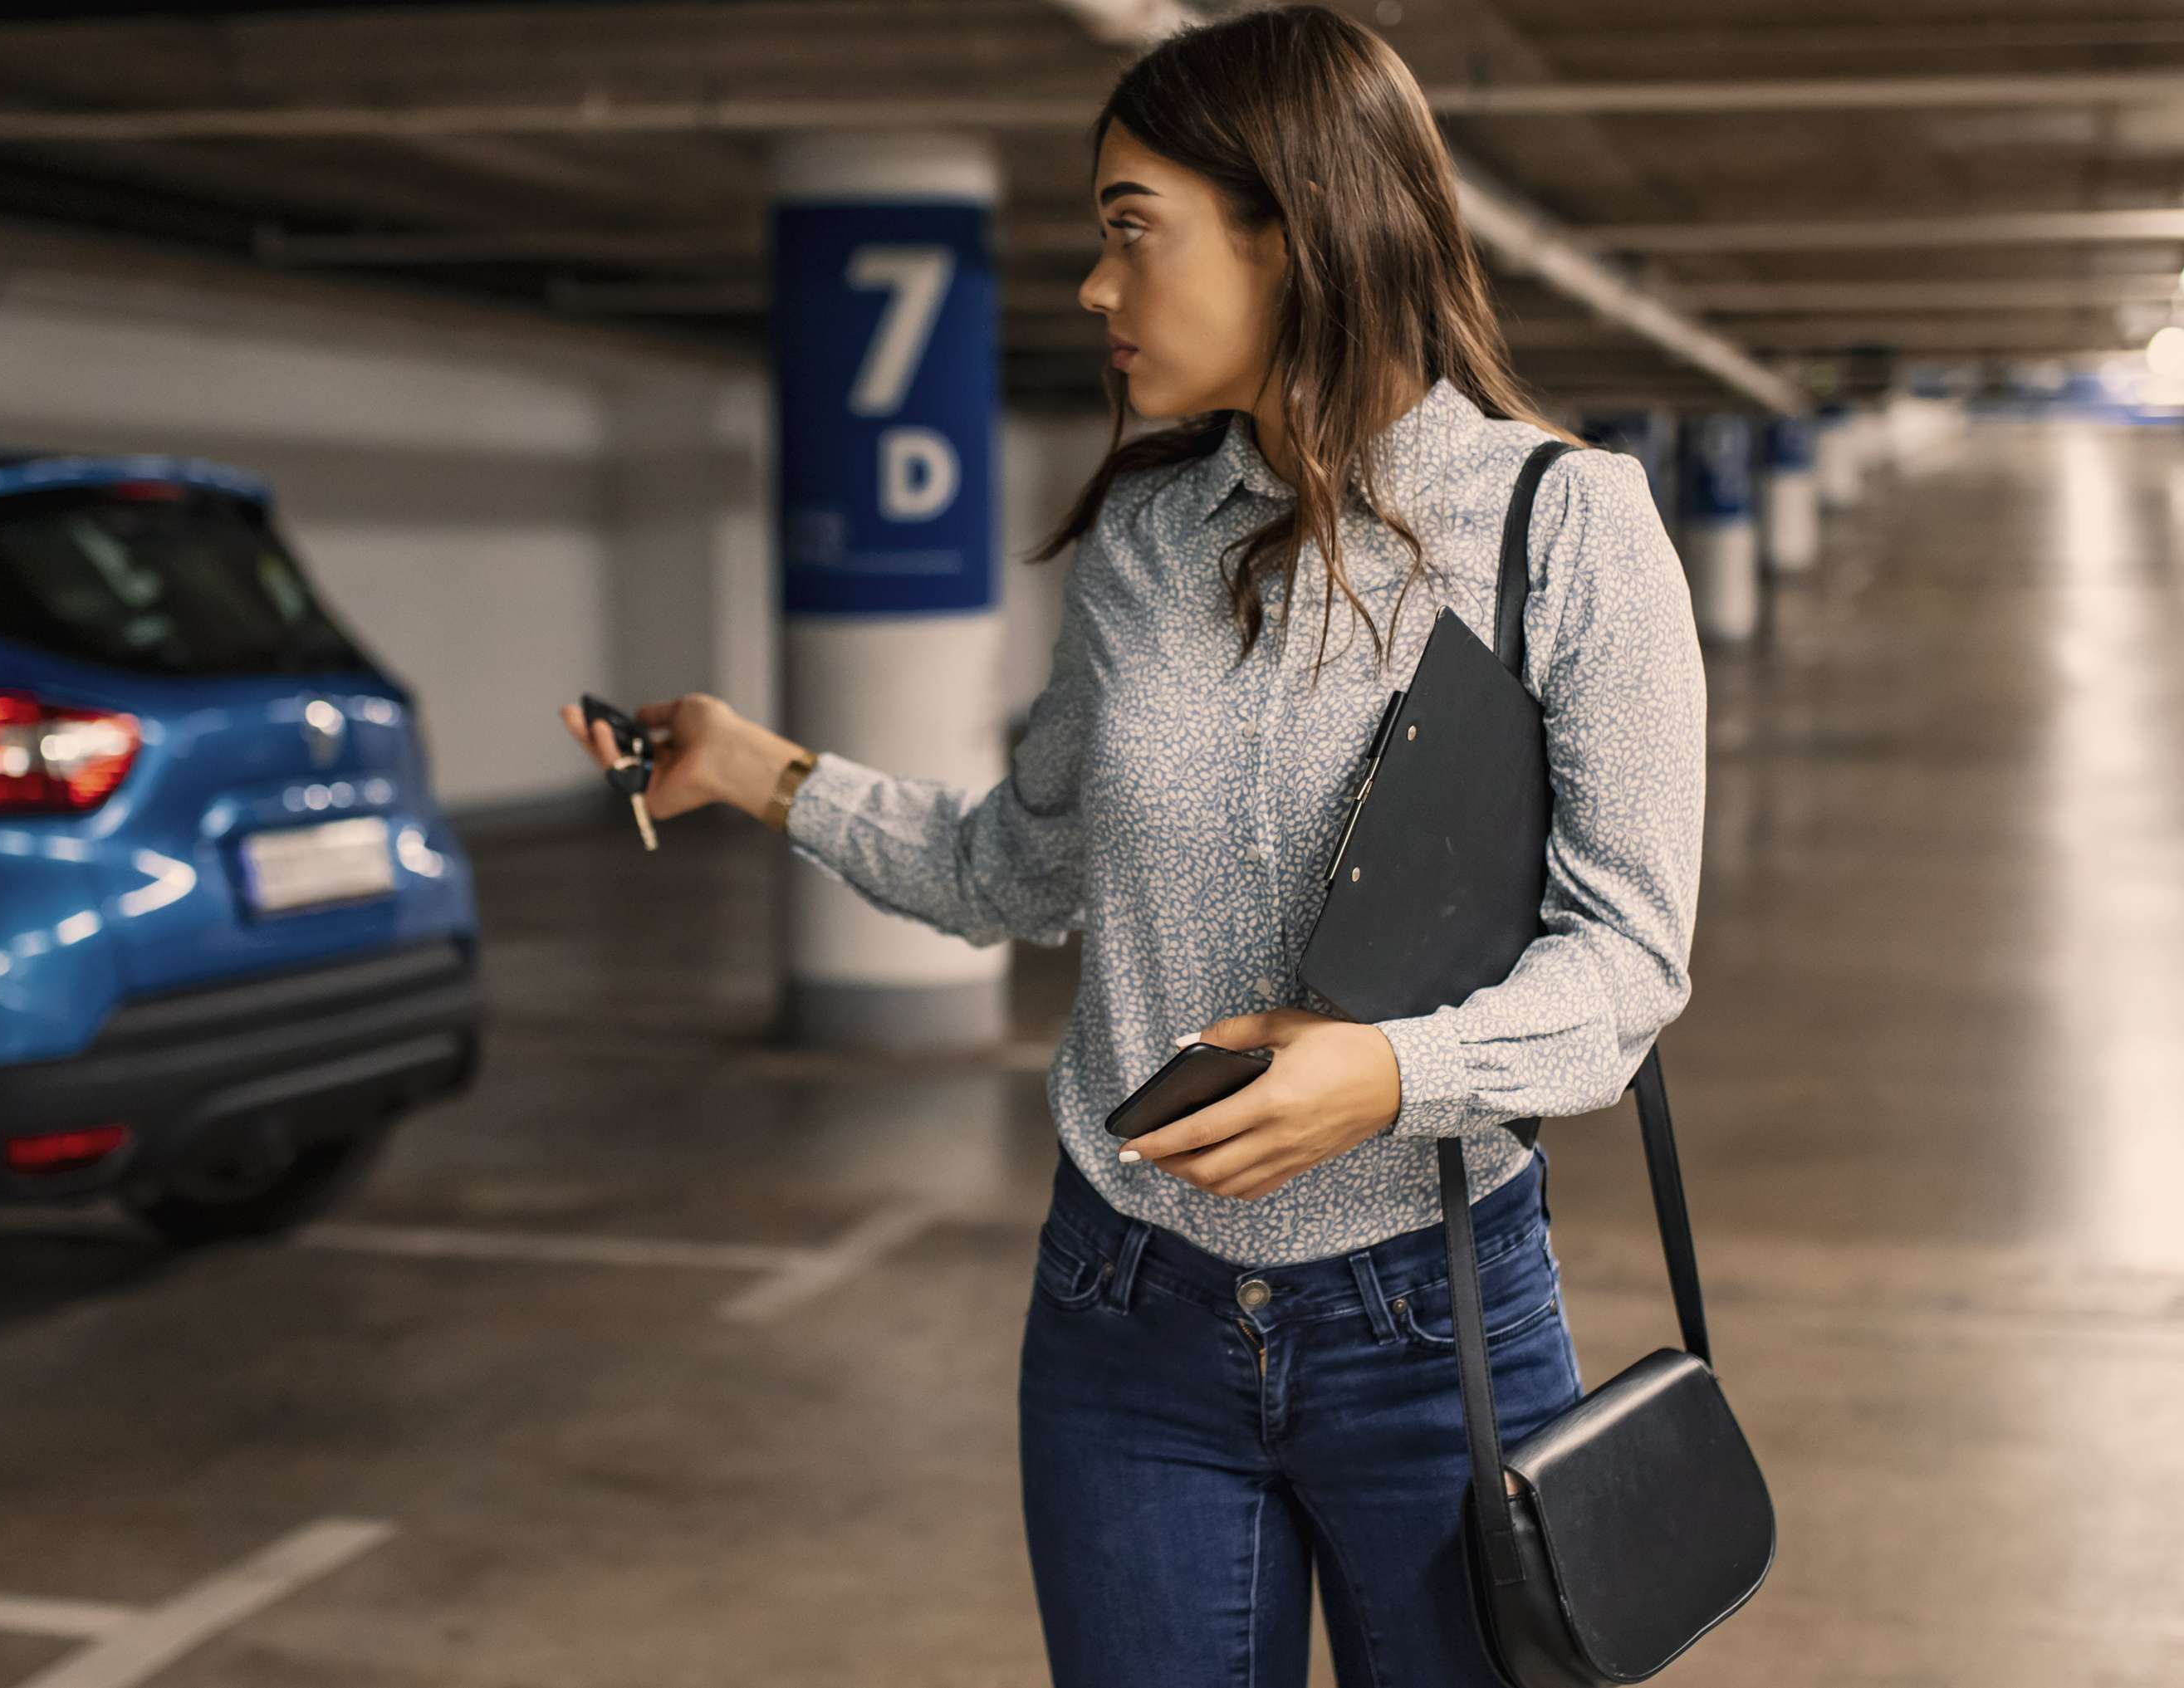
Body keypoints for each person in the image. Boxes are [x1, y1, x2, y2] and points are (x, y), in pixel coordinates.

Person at [557, 7, 1706, 1683]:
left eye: (1129, 228)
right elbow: (1012, 869)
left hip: (1430, 1320)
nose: (1094, 288)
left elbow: (1630, 963)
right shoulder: (1145, 543)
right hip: (1125, 1321)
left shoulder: (1565, 528)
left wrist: (1384, 1077)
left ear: (1293, 227)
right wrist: (760, 770)